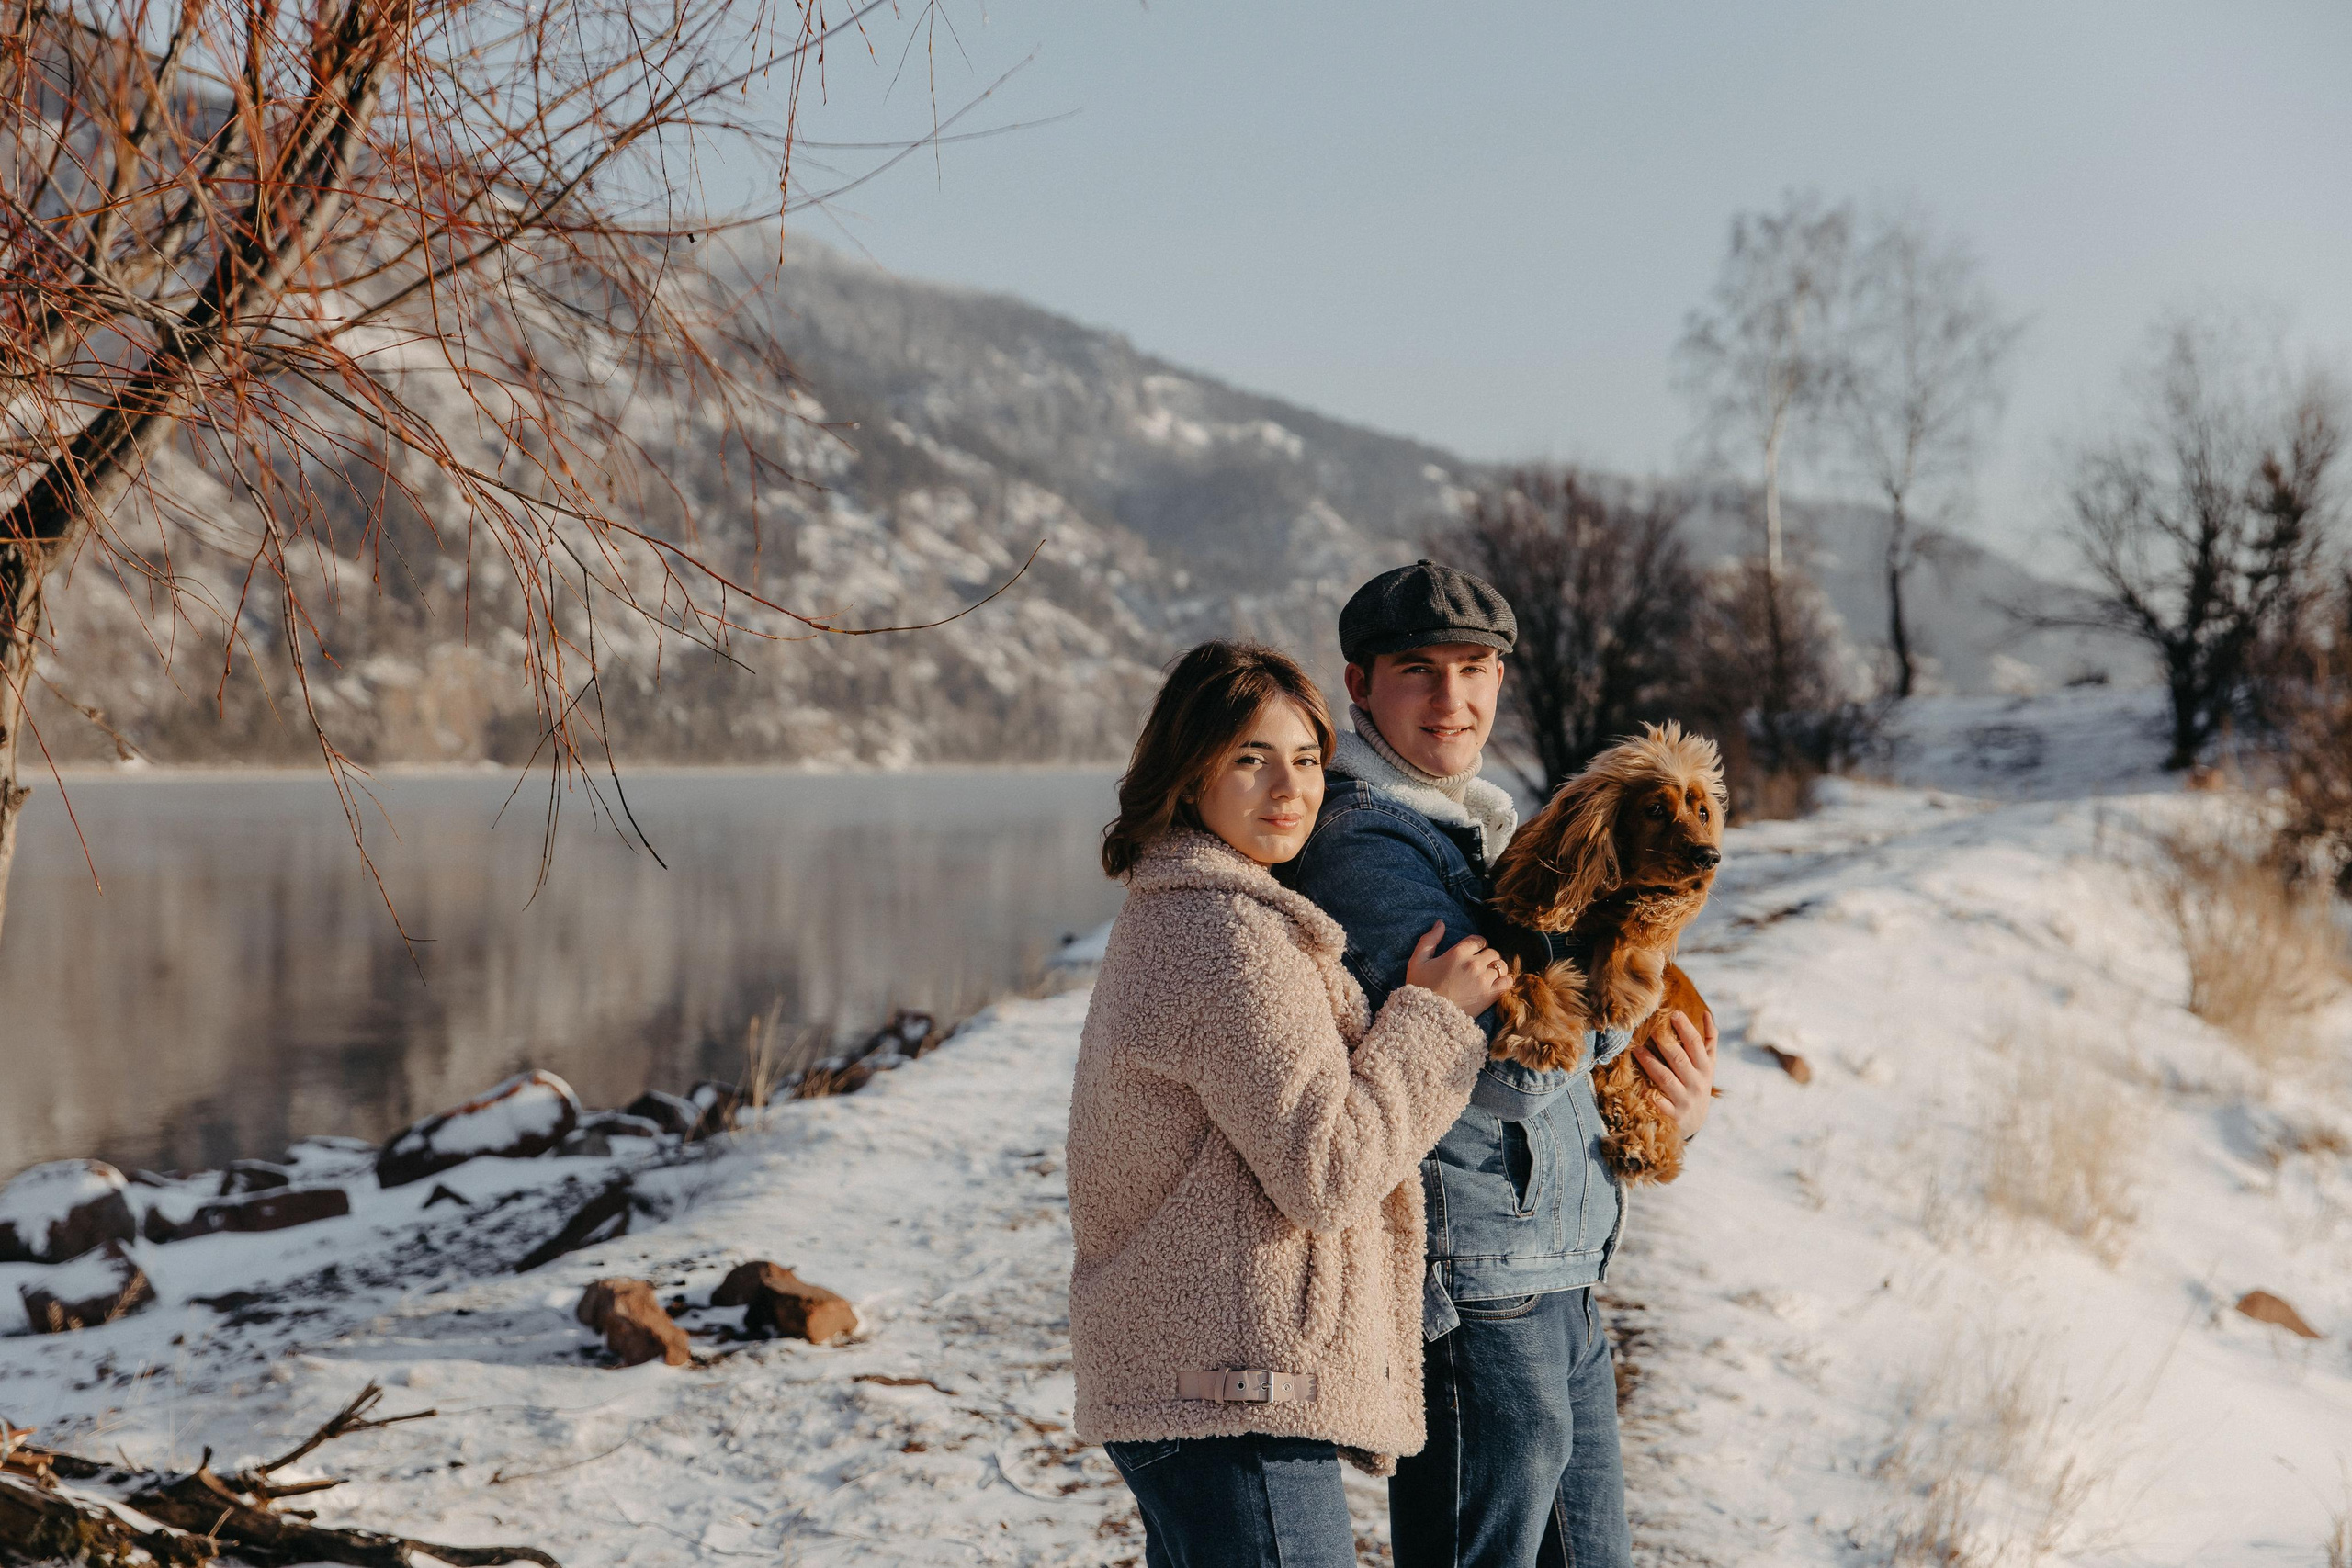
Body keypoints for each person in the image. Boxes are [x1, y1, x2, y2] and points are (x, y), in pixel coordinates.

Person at [1275, 561, 1719, 1568]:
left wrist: (1663, 1101)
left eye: (1474, 669)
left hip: (1561, 1264)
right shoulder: (1368, 847)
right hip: (1473, 1277)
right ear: (1359, 684)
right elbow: (1503, 1074)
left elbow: (1561, 1033)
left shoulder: (1482, 827)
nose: (1451, 699)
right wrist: (1624, 998)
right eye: (1416, 671)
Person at [1066, 640, 1516, 1568]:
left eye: (1307, 759)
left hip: (1199, 1387)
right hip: (1232, 1395)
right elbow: (1328, 1171)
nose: (1290, 788)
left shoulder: (1181, 906)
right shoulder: (1231, 937)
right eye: (1249, 759)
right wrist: (1431, 1018)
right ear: (1189, 774)